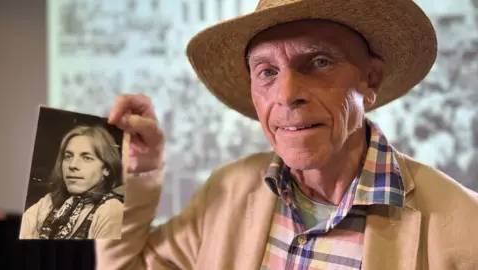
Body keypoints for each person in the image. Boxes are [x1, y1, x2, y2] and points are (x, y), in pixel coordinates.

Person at [95, 0, 478, 269]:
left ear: (370, 79)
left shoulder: (467, 226)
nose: (286, 94)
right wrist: (139, 170)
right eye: (266, 72)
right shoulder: (227, 190)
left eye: (319, 62)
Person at [19, 125, 124, 240]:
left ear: (106, 169)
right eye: (68, 157)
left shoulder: (110, 210)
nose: (72, 165)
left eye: (86, 158)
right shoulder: (49, 203)